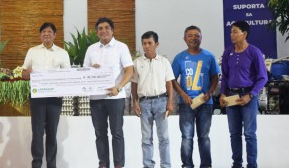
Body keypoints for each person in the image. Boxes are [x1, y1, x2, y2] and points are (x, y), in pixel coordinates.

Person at [83, 17, 134, 168]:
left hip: (115, 97)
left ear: (112, 30)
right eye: (100, 28)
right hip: (96, 98)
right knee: (100, 134)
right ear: (96, 32)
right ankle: (103, 164)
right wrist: (93, 69)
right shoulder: (91, 49)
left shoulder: (121, 47)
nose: (103, 31)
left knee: (117, 133)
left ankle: (119, 165)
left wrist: (118, 87)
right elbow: (84, 71)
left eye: (106, 28)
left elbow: (129, 71)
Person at [22, 22, 71, 168]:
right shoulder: (32, 51)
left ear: (55, 35)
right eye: (43, 32)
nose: (46, 34)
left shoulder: (62, 53)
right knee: (37, 133)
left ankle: (51, 165)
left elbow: (68, 75)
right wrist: (27, 74)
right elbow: (24, 73)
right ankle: (36, 164)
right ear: (40, 35)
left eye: (49, 32)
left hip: (55, 98)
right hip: (37, 97)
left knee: (52, 133)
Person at [219, 21, 267, 168]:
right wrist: (222, 94)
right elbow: (225, 76)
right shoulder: (228, 52)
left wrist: (251, 95)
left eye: (235, 32)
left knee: (249, 134)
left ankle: (252, 165)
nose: (231, 34)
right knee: (234, 134)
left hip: (248, 97)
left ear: (244, 34)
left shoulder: (254, 52)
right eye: (231, 32)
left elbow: (263, 77)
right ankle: (237, 164)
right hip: (231, 97)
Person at [171, 25, 220, 168]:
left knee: (204, 137)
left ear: (201, 38)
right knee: (187, 137)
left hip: (205, 103)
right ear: (184, 38)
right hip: (186, 103)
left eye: (196, 35)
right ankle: (187, 165)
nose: (193, 38)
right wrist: (183, 95)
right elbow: (172, 79)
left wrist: (210, 93)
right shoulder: (179, 57)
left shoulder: (209, 56)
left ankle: (206, 165)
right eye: (190, 35)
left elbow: (215, 78)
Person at [131, 31, 174, 168]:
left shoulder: (164, 62)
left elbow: (169, 83)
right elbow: (134, 84)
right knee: (146, 138)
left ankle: (166, 165)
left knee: (164, 138)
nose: (147, 46)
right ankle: (148, 165)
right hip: (144, 103)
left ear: (157, 44)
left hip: (161, 101)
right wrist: (135, 102)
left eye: (150, 43)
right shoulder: (137, 62)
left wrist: (170, 102)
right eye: (144, 43)